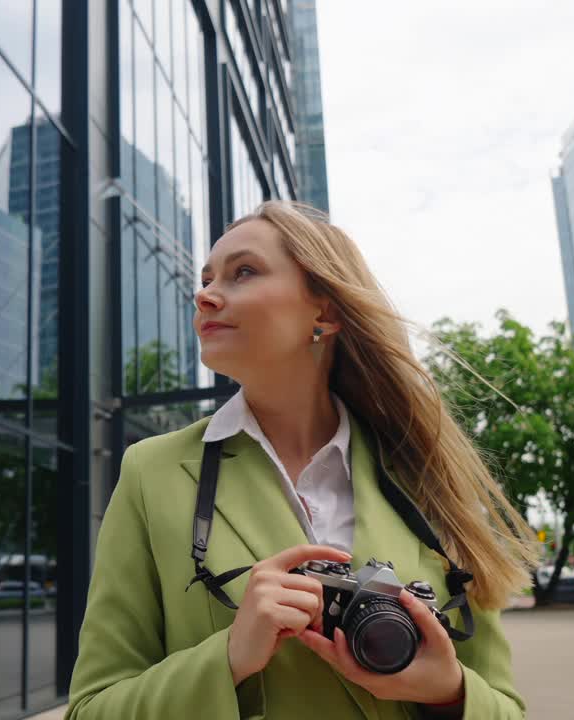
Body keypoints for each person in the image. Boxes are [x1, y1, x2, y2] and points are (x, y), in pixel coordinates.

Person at [67, 202, 536, 719]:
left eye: (242, 271)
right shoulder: (151, 473)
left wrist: (449, 692)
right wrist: (227, 659)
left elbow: (507, 710)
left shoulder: (423, 479)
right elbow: (91, 710)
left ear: (325, 313)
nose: (203, 294)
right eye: (204, 279)